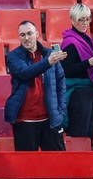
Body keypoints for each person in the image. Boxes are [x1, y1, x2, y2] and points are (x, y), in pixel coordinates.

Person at [4, 20, 67, 151]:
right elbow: (25, 73)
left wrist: (61, 111)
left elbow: (61, 83)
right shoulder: (12, 56)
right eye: (22, 35)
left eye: (29, 33)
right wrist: (47, 62)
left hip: (50, 120)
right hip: (24, 121)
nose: (26, 38)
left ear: (37, 34)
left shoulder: (50, 54)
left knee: (58, 166)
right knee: (26, 168)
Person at [59, 4, 93, 140]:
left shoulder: (86, 39)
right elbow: (66, 70)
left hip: (89, 92)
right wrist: (88, 63)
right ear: (72, 20)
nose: (85, 23)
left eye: (87, 19)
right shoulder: (70, 42)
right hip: (79, 94)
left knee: (89, 134)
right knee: (80, 135)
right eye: (81, 20)